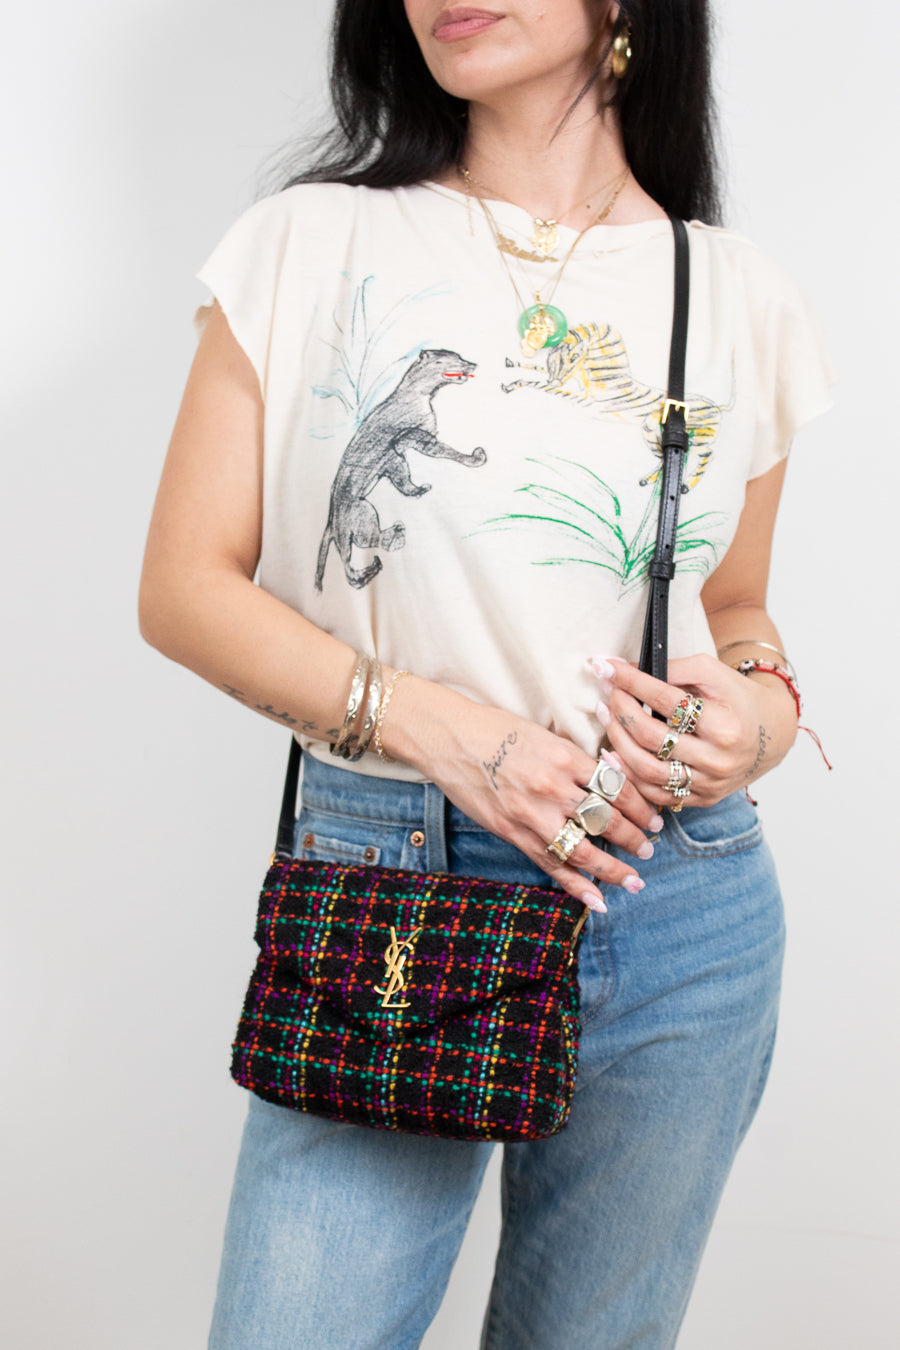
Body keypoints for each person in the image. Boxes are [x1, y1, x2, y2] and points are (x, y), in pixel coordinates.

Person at [139, 2, 833, 1346]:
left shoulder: (731, 289)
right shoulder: (309, 244)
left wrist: (751, 718)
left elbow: (738, 605)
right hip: (397, 877)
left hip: (678, 902)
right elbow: (183, 588)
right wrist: (448, 732)